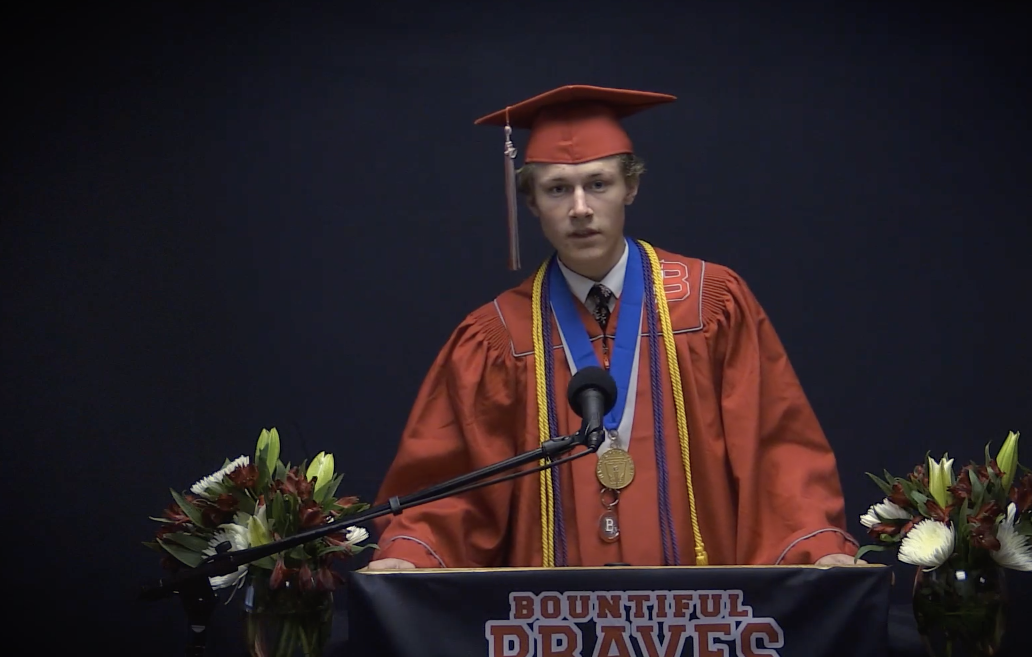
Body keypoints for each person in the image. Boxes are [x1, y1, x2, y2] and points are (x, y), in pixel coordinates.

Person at [367, 84, 862, 570]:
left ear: (631, 186)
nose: (580, 208)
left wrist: (815, 546)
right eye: (558, 188)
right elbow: (454, 479)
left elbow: (776, 446)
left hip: (701, 623)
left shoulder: (709, 303)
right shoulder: (500, 334)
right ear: (533, 202)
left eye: (598, 184)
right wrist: (411, 554)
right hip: (554, 630)